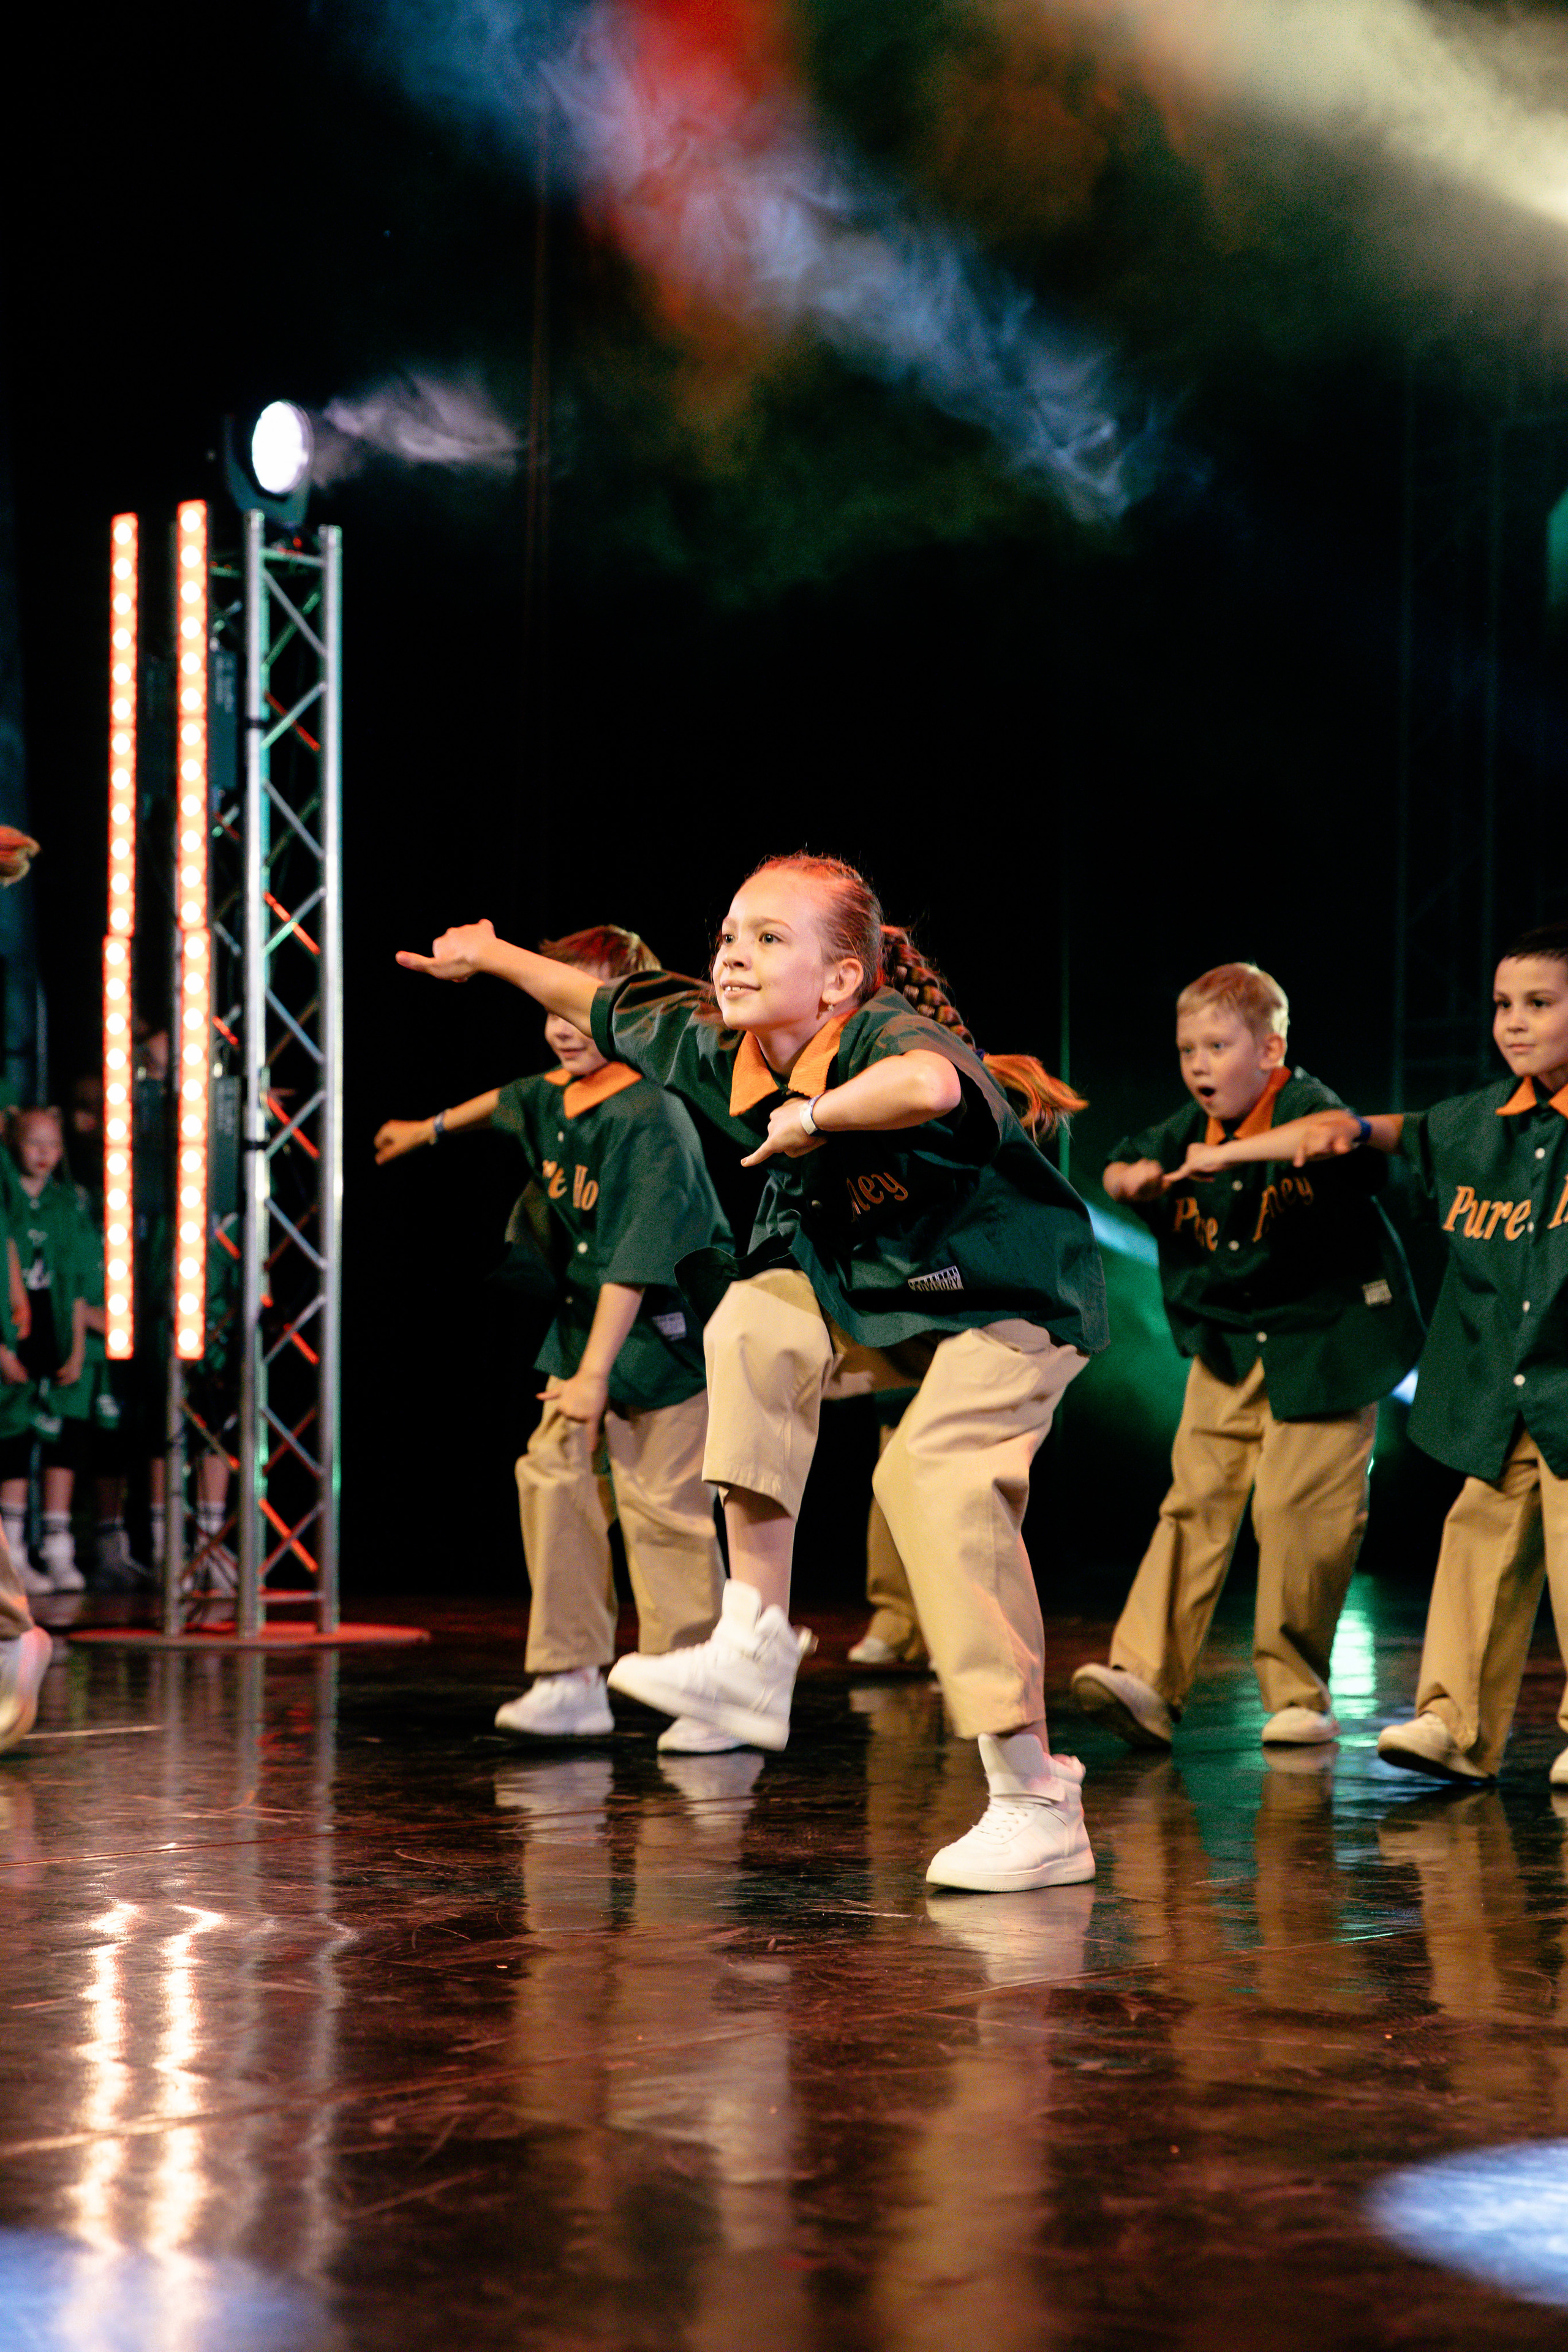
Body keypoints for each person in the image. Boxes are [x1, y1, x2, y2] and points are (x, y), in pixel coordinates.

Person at [397, 856, 1107, 1894]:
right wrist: (490, 954)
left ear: (840, 978)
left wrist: (814, 1119)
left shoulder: (886, 1033)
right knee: (747, 1323)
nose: (734, 953)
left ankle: (1035, 1796)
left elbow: (931, 1087)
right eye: (730, 933)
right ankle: (755, 1646)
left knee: (930, 1477)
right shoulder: (708, 1040)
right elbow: (595, 1001)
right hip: (868, 1290)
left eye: (770, 938)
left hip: (1006, 1294)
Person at [1164, 923, 1568, 1785]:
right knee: (1480, 1532)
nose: (1513, 1022)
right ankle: (1455, 1725)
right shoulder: (1473, 1126)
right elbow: (1355, 1129)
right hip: (1505, 1388)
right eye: (1503, 1003)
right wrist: (1244, 1148)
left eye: (1539, 1004)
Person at [377, 924, 737, 1751]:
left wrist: (595, 1376)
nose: (564, 1027)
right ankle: (571, 1678)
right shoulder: (559, 1095)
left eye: (581, 1010)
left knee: (664, 1509)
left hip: (666, 1345)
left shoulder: (653, 1116)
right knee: (553, 1478)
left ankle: (707, 1691)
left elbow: (638, 1259)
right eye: (553, 1007)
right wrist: (426, 1128)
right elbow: (511, 1100)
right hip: (584, 1335)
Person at [1072, 963, 1423, 1751]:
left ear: (1269, 1050)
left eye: (1217, 1047)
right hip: (1230, 1343)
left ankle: (1297, 1695)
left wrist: (1227, 1160)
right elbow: (1125, 1162)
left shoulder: (1303, 1104)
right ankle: (1145, 1677)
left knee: (1301, 1517)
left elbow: (1335, 1138)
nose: (1198, 1065)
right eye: (1186, 1050)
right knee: (1193, 1503)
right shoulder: (1189, 1126)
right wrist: (1130, 1180)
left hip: (1328, 1345)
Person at [0, 1108, 96, 1593]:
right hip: (16, 1331)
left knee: (59, 1435)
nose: (44, 1154)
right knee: (12, 1440)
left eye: (53, 1144)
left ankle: (58, 1547)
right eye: (33, 1142)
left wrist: (76, 1350)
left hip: (54, 1328)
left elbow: (76, 1283)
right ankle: (12, 1550)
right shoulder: (6, 1200)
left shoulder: (65, 1202)